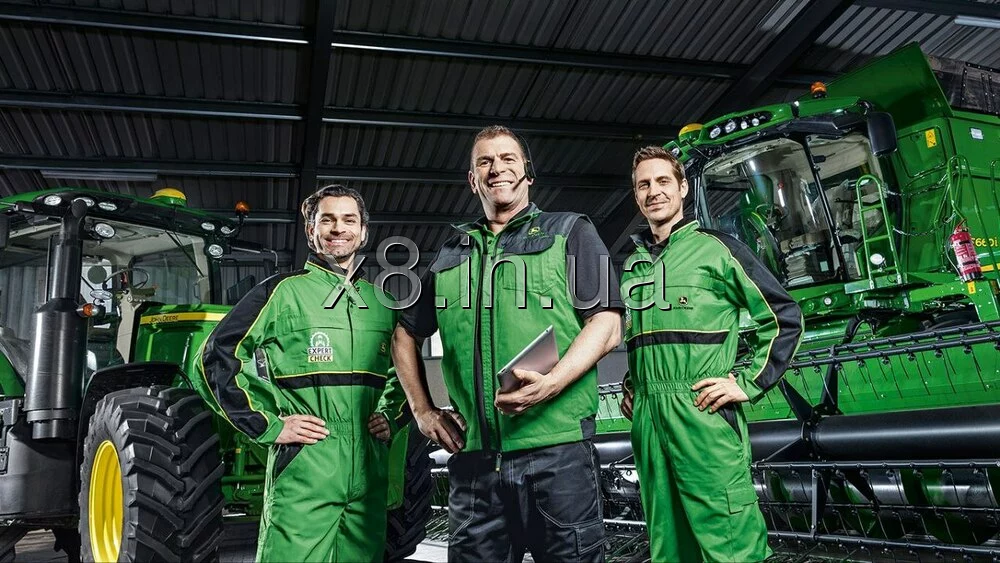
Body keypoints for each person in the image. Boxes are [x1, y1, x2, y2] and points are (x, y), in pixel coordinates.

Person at [391, 125, 623, 562]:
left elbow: (608, 324)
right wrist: (423, 410)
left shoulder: (569, 231)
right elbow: (404, 334)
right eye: (485, 161)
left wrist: (552, 383)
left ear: (527, 173)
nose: (497, 168)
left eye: (508, 158)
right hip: (474, 466)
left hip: (558, 457)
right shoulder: (450, 256)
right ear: (473, 179)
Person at [194, 185, 409, 562]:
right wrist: (268, 425)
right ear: (311, 231)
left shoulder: (383, 303)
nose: (338, 228)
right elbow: (215, 356)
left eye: (349, 220)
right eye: (327, 220)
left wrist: (390, 416)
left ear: (363, 232)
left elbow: (406, 372)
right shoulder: (281, 293)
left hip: (370, 471)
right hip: (307, 464)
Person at [619, 146, 803, 562]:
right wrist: (634, 385)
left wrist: (748, 382)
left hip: (700, 414)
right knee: (669, 545)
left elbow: (784, 317)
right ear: (636, 195)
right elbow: (644, 338)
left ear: (682, 187)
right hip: (648, 421)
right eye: (644, 185)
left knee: (730, 543)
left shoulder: (718, 249)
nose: (654, 191)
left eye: (663, 181)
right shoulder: (633, 266)